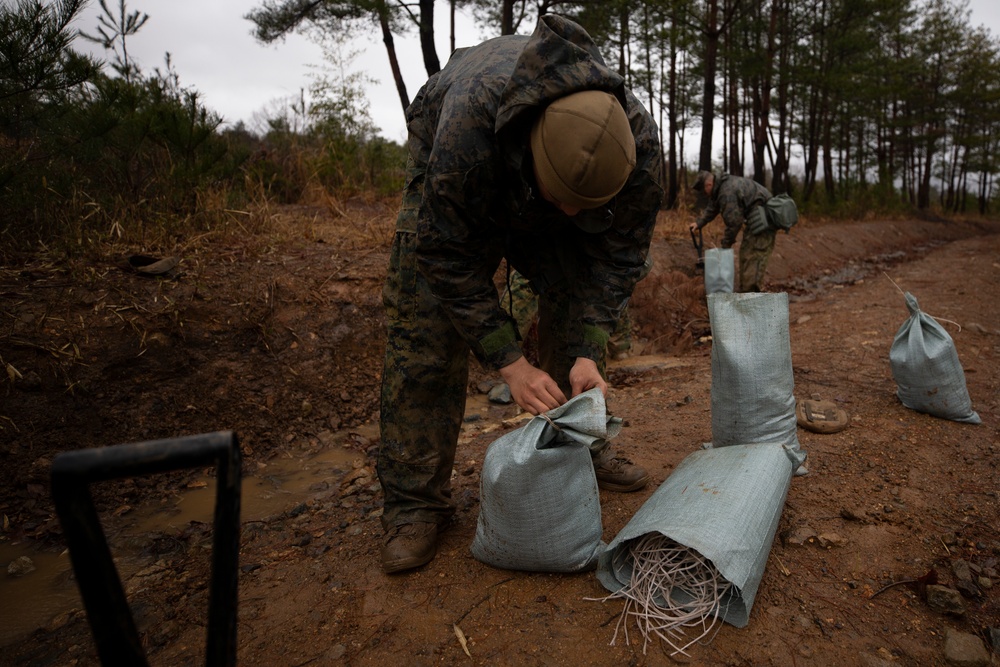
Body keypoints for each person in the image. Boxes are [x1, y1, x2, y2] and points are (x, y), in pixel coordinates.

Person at [377, 14, 665, 574]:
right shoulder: (470, 125)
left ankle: (579, 443)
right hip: (458, 158)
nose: (572, 217)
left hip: (537, 173)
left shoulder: (640, 152)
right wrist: (510, 363)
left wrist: (589, 346)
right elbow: (443, 255)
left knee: (577, 291)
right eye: (564, 203)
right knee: (425, 323)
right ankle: (414, 502)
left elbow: (619, 258)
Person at [688, 171, 777, 292]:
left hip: (764, 222)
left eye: (703, 191)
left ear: (708, 184)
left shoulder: (727, 192)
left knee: (752, 256)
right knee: (746, 253)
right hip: (757, 221)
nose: (704, 195)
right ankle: (746, 294)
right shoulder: (722, 187)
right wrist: (699, 223)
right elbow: (713, 207)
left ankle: (750, 298)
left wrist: (725, 245)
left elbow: (734, 222)